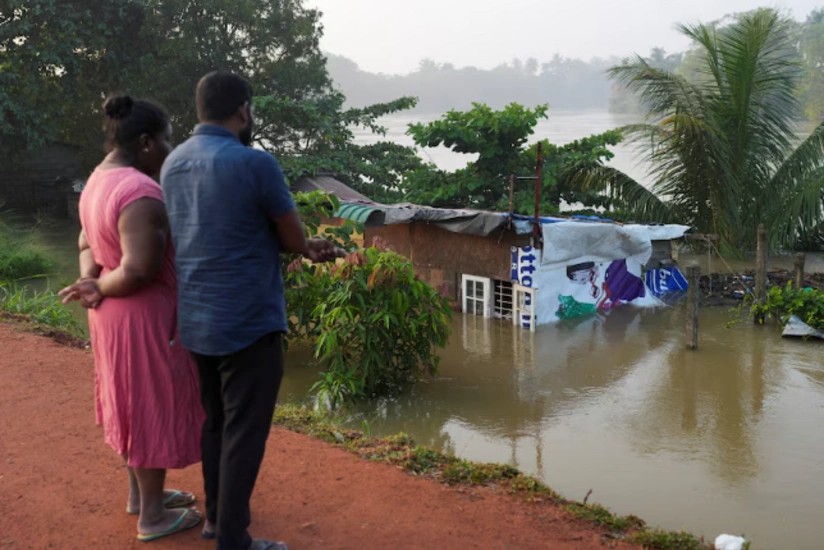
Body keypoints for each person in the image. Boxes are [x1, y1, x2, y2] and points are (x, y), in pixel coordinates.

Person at [161, 71, 342, 550]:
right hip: (247, 322)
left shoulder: (173, 162)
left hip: (195, 319)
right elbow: (290, 238)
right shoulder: (256, 164)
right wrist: (308, 246)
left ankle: (218, 520)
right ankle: (233, 539)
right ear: (243, 109)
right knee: (245, 431)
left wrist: (297, 244)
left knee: (216, 423)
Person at [59, 95, 205, 542]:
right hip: (140, 318)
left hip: (110, 315)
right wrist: (100, 285)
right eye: (166, 140)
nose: (169, 149)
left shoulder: (98, 180)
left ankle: (143, 498)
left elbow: (86, 240)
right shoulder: (141, 192)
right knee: (147, 407)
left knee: (128, 403)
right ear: (144, 142)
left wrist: (91, 282)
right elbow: (140, 269)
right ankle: (153, 520)